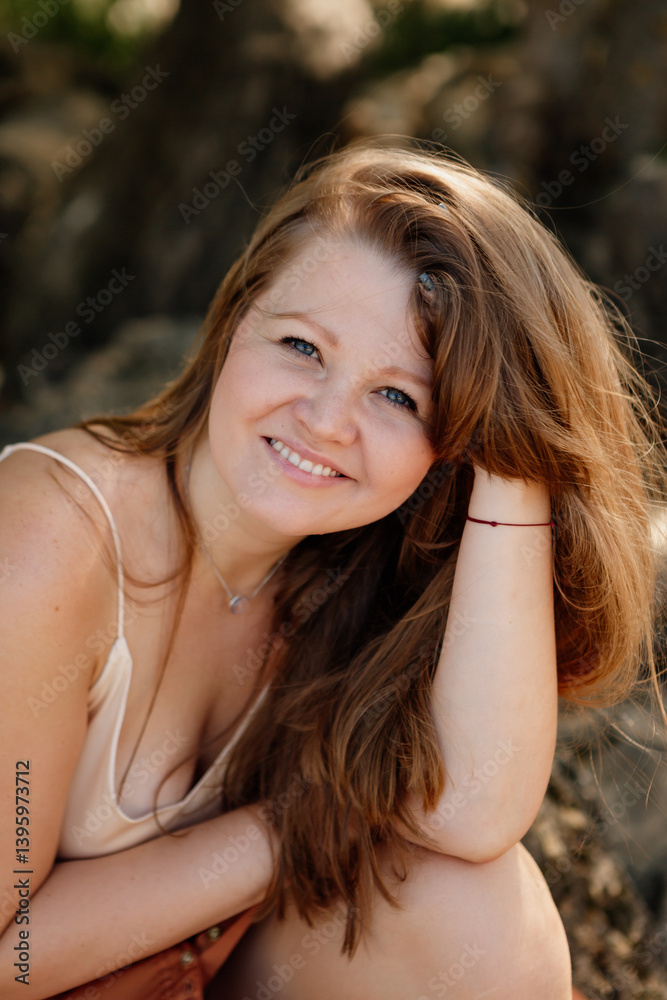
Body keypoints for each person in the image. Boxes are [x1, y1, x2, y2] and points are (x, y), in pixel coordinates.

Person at [1, 140, 664, 1000]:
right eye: (301, 346)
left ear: (452, 445)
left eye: (398, 396)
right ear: (234, 320)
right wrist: (288, 829)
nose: (324, 420)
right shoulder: (50, 539)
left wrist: (513, 456)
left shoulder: (353, 567)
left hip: (182, 971)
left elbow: (472, 812)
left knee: (481, 922)